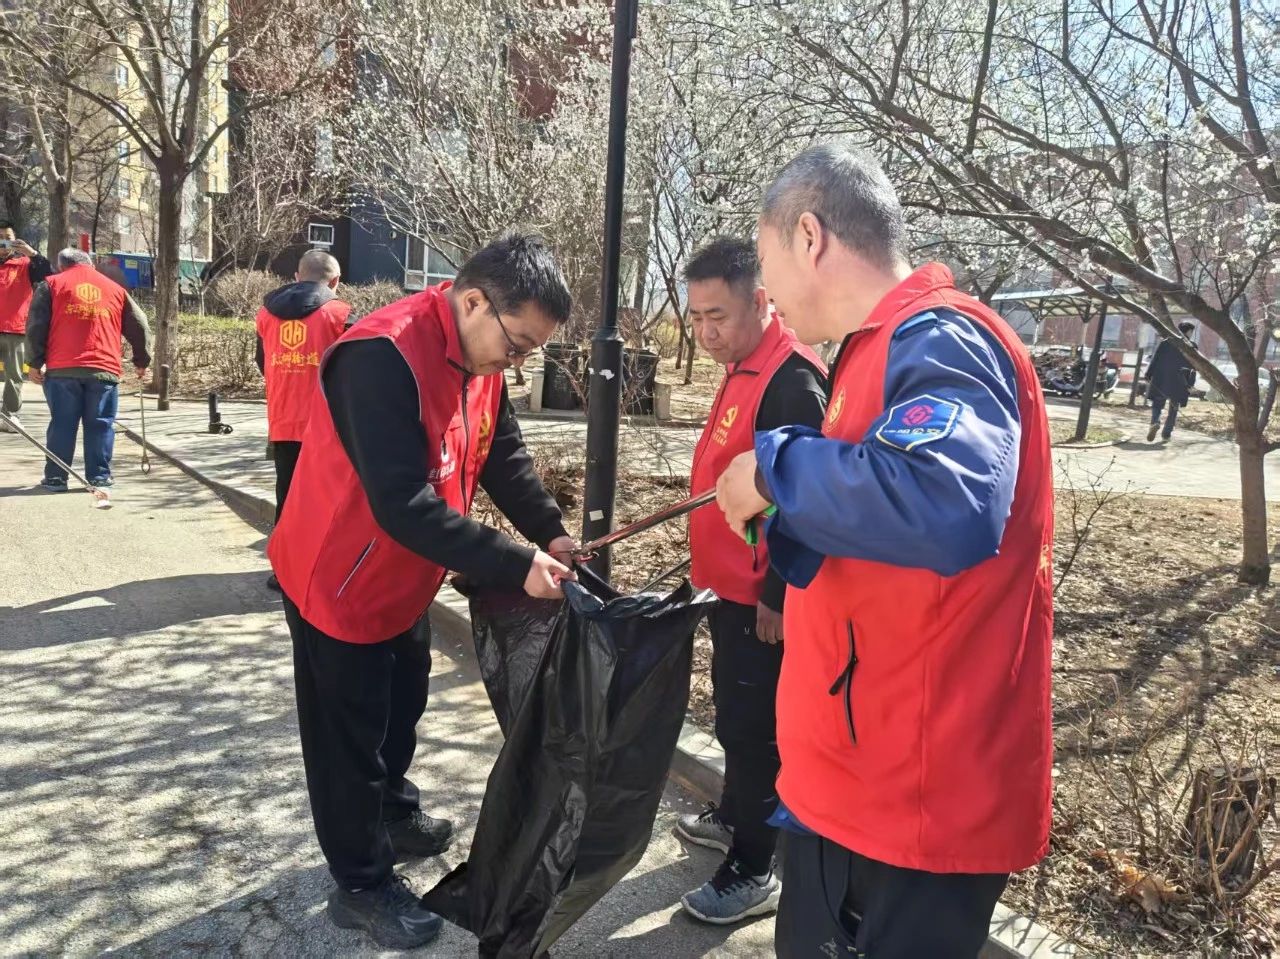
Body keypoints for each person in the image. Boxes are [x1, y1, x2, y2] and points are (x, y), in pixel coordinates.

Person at [714, 143, 1054, 958]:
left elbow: (945, 499)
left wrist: (775, 467)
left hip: (912, 800)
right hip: (860, 777)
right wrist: (786, 514)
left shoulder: (941, 335)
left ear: (808, 237)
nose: (766, 293)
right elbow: (877, 522)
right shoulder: (875, 346)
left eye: (764, 262)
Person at [267, 232, 579, 951]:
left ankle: (390, 807)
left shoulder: (481, 357)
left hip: (408, 571)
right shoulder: (381, 356)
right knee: (347, 736)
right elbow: (400, 502)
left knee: (402, 701)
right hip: (338, 578)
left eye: (530, 352)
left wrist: (551, 532)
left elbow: (502, 453)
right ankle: (360, 881)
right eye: (519, 345)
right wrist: (515, 563)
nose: (517, 362)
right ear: (474, 303)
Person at [675, 237, 827, 924]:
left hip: (760, 599)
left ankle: (754, 863)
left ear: (761, 301)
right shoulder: (743, 364)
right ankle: (736, 813)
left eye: (719, 316)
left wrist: (778, 594)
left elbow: (807, 496)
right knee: (735, 719)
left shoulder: (791, 379)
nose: (706, 333)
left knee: (756, 728)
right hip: (726, 586)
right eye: (696, 318)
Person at [254, 249, 351, 591]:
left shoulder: (265, 314)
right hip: (327, 426)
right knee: (326, 499)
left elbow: (261, 361)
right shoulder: (341, 314)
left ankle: (285, 572)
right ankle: (320, 571)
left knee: (288, 497)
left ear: (297, 277)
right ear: (335, 281)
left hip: (283, 421)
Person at [25, 249, 151, 490]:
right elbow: (140, 325)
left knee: (62, 423)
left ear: (62, 266)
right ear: (90, 264)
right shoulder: (116, 289)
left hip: (62, 369)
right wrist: (141, 360)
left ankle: (56, 477)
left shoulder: (51, 285)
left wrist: (34, 363)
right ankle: (99, 477)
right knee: (100, 423)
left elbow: (36, 327)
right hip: (104, 368)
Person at [0, 223, 54, 433]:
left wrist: (32, 253)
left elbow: (48, 274)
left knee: (14, 376)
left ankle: (9, 415)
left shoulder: (25, 264)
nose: (4, 241)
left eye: (8, 237)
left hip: (15, 328)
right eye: (0, 237)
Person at [1144, 321, 1197, 442]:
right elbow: (1193, 367)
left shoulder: (1166, 342)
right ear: (1188, 331)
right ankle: (1166, 434)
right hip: (1180, 381)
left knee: (1157, 404)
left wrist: (1148, 374)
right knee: (1173, 408)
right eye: (1191, 331)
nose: (1191, 334)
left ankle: (1155, 422)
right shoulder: (1191, 346)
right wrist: (1190, 384)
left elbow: (1156, 359)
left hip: (1162, 378)